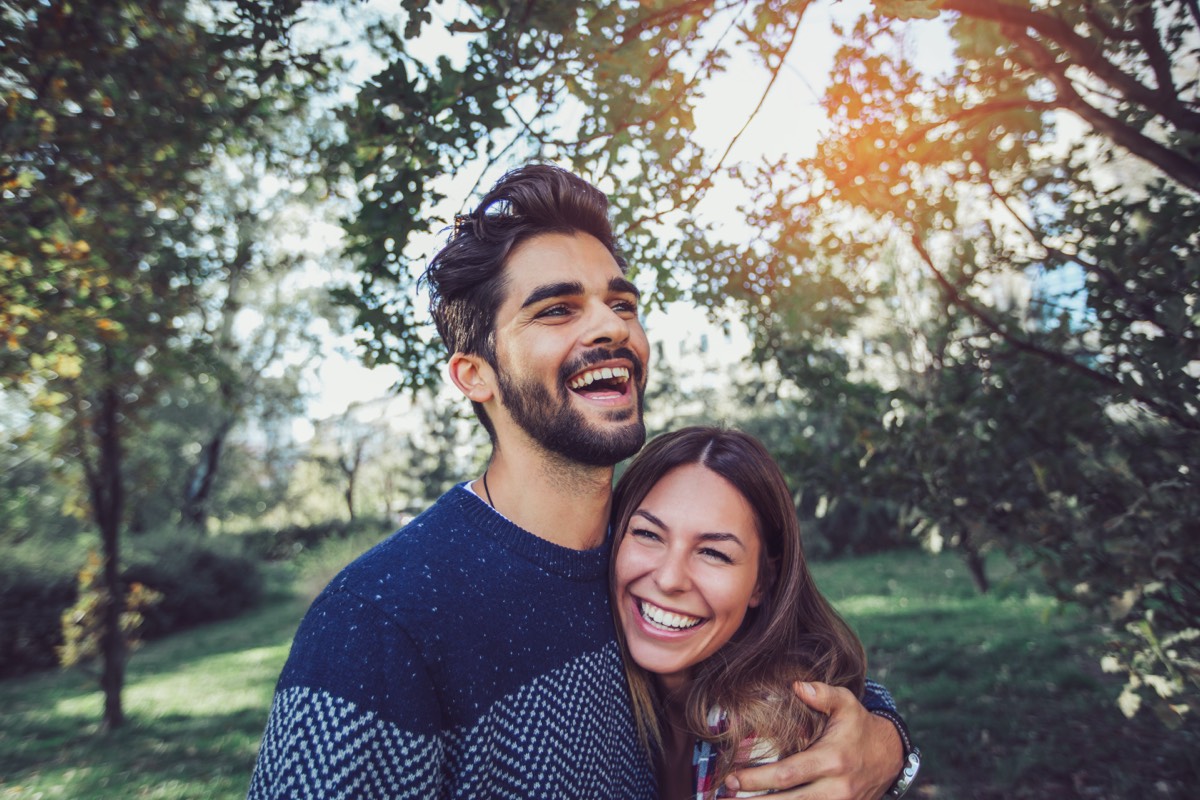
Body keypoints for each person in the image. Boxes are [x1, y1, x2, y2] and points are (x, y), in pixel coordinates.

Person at [247, 164, 913, 799]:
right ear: (473, 374)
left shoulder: (647, 558)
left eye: (620, 303)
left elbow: (791, 655)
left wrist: (886, 741)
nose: (610, 326)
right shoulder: (380, 619)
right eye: (557, 310)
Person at [611, 427, 918, 799]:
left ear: (761, 582)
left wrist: (891, 745)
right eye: (648, 534)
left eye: (714, 553)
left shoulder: (766, 739)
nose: (669, 578)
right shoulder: (594, 669)